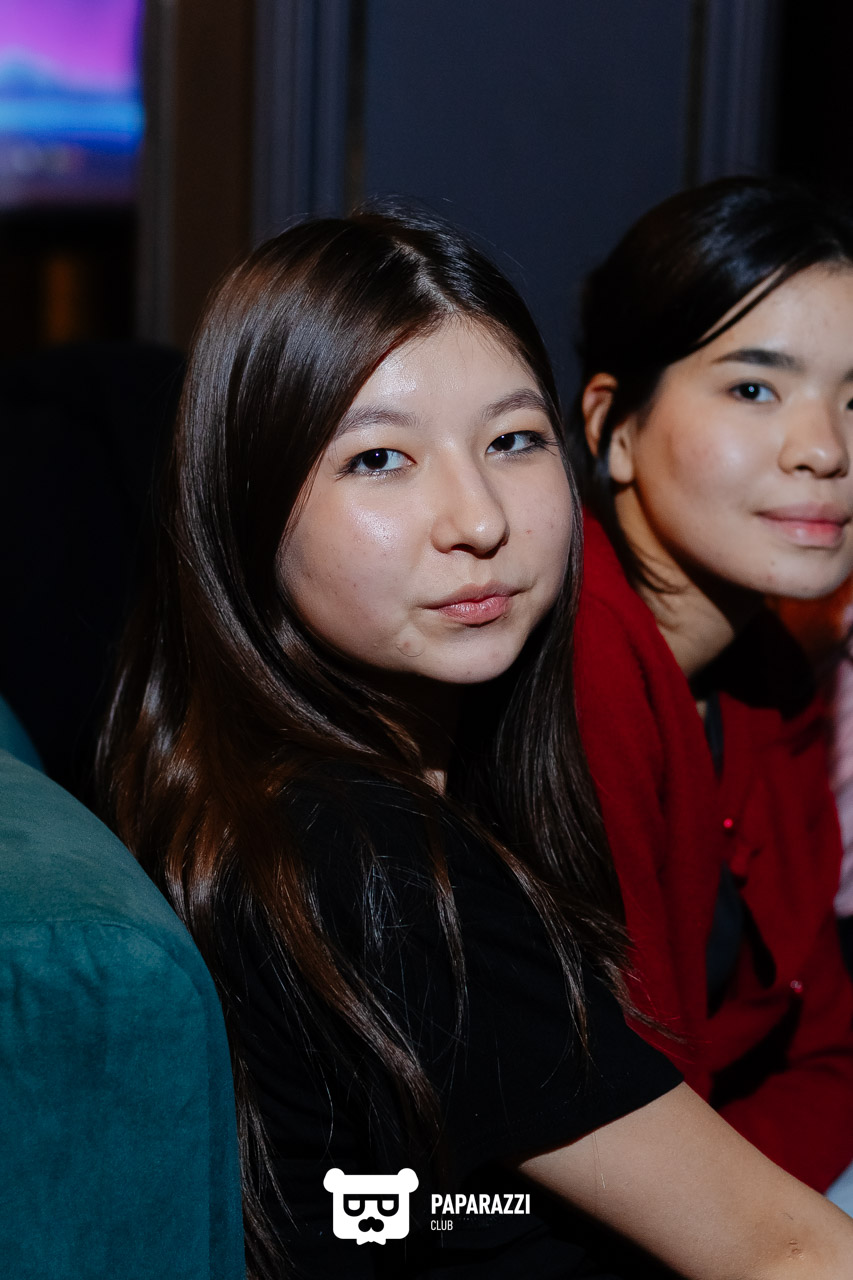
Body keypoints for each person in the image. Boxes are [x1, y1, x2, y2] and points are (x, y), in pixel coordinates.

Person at [99, 207, 853, 1279]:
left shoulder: (397, 778)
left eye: (511, 441)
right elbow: (775, 1249)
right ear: (247, 502)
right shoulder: (373, 862)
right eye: (379, 459)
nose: (478, 518)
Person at [568, 176, 853, 1210]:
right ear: (614, 428)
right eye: (753, 389)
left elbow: (831, 1049)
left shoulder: (767, 669)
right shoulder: (577, 671)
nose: (824, 449)